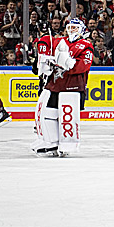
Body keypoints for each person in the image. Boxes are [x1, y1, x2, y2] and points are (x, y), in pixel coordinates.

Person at [32, 17, 92, 157]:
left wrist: (70, 64)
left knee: (67, 115)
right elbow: (45, 46)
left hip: (73, 86)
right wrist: (44, 62)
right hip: (55, 84)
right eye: (69, 27)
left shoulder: (85, 45)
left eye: (75, 28)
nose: (71, 31)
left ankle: (68, 144)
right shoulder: (59, 41)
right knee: (48, 113)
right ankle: (51, 141)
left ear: (82, 30)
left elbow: (84, 65)